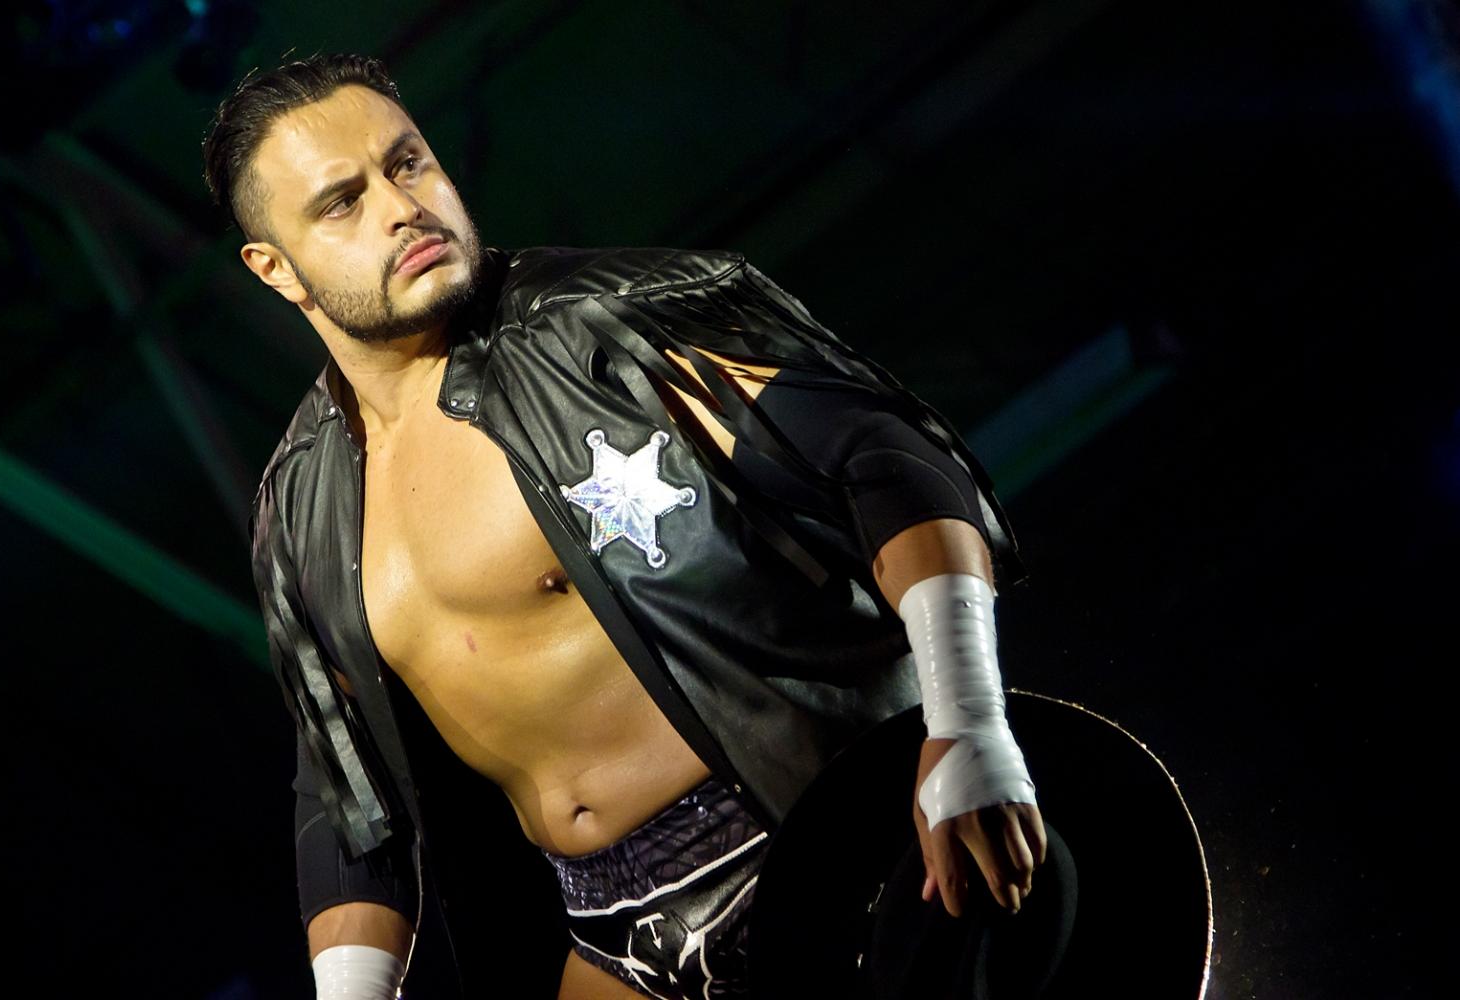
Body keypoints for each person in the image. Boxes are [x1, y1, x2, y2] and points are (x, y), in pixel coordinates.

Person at [205, 53, 1072, 999]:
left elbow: (883, 463)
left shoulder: (612, 322)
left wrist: (965, 717)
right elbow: (344, 784)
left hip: (835, 833)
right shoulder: (300, 507)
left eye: (407, 162)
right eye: (343, 201)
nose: (401, 207)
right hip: (610, 922)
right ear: (274, 268)